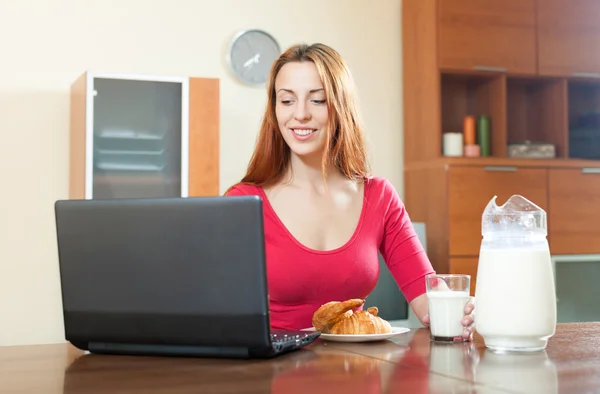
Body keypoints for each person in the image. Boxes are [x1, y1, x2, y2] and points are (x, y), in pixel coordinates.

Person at [225, 42, 475, 340]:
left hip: (358, 371)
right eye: (287, 100)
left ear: (340, 106)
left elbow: (427, 297)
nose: (300, 114)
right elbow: (217, 310)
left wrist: (457, 315)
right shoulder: (243, 202)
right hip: (274, 374)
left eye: (318, 100)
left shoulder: (379, 196)